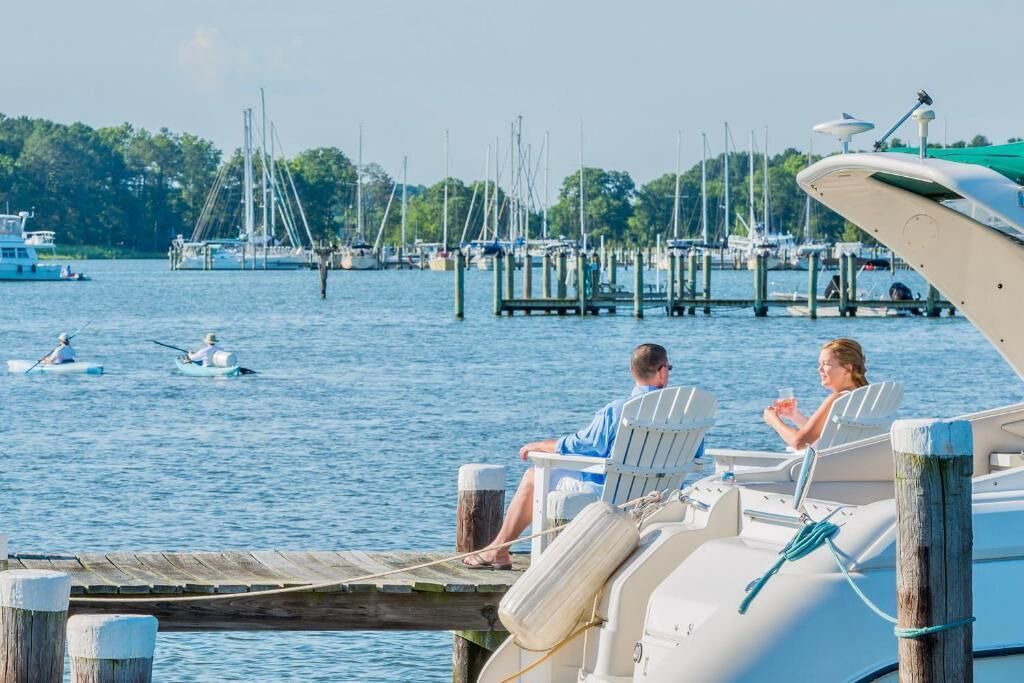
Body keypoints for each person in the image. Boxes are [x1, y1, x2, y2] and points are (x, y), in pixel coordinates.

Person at [464, 343, 676, 570]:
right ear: (662, 372)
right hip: (657, 497)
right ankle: (499, 549)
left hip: (611, 496)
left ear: (633, 371)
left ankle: (499, 550)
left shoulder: (618, 410)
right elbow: (697, 455)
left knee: (533, 476)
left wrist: (543, 446)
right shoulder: (680, 412)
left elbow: (582, 445)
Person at [763, 338, 869, 450]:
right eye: (820, 364)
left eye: (826, 364)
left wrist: (773, 420)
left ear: (847, 368)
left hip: (829, 465)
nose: (819, 369)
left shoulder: (837, 400)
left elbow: (798, 443)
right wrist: (795, 416)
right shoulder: (867, 396)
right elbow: (820, 435)